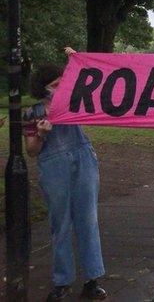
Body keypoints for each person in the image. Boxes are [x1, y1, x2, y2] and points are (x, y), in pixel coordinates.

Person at [25, 52, 107, 301]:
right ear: (44, 88)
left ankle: (92, 280)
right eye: (54, 85)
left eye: (62, 83)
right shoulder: (33, 113)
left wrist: (80, 60)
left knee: (88, 220)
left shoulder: (74, 101)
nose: (59, 88)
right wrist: (40, 135)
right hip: (53, 166)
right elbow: (31, 151)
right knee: (59, 223)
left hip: (83, 161)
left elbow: (96, 84)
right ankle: (62, 282)